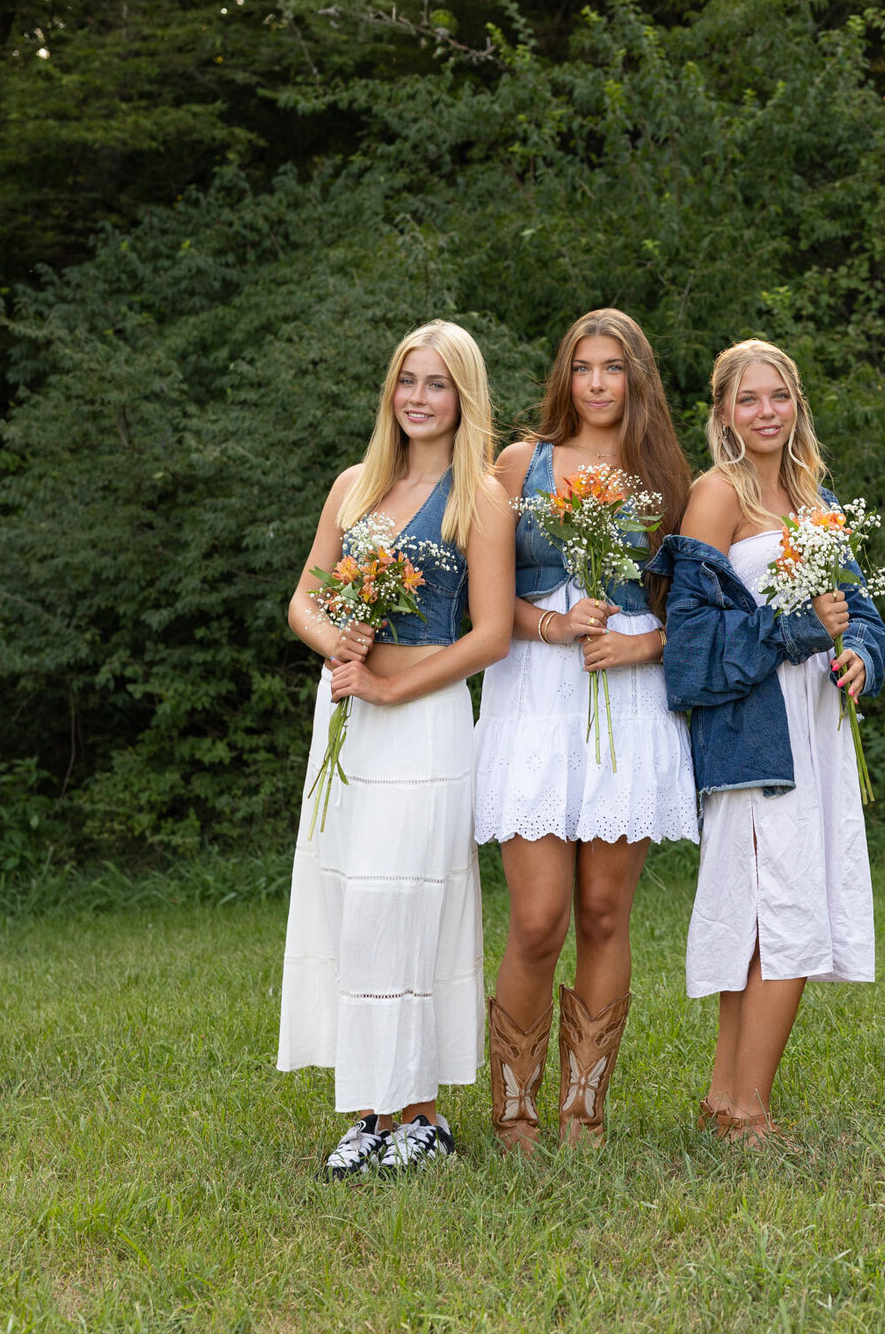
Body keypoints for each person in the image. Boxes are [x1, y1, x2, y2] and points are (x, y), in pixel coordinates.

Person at [278, 320, 514, 1179]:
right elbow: (304, 598)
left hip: (423, 720)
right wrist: (334, 643)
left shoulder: (478, 497)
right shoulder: (355, 485)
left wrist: (389, 687)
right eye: (408, 380)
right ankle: (371, 1113)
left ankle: (425, 1114)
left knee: (407, 904)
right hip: (347, 717)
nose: (419, 397)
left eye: (437, 383)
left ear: (463, 396)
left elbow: (490, 636)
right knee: (353, 902)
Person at [647, 338, 885, 1146]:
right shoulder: (716, 495)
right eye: (748, 399)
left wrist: (861, 655)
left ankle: (725, 1101)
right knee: (781, 915)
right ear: (723, 412)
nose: (765, 412)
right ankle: (750, 1112)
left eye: (778, 396)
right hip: (753, 734)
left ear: (797, 404)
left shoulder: (817, 496)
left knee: (773, 914)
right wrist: (797, 629)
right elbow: (689, 648)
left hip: (818, 729)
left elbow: (861, 614)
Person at [475, 309, 698, 1150]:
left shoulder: (668, 479)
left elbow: (700, 613)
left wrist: (645, 645)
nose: (597, 383)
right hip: (534, 695)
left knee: (604, 913)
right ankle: (514, 1109)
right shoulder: (518, 464)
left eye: (613, 368)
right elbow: (480, 599)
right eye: (582, 367)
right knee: (539, 918)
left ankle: (583, 1112)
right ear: (564, 377)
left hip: (627, 700)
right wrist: (551, 626)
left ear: (637, 379)